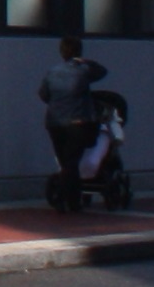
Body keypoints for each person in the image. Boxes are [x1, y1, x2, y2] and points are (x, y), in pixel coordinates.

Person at [39, 35, 111, 206]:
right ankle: (70, 199)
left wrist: (58, 103)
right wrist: (84, 61)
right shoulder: (83, 70)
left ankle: (67, 195)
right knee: (72, 160)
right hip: (78, 122)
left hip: (54, 122)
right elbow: (102, 71)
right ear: (79, 51)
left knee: (64, 160)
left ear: (61, 52)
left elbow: (43, 94)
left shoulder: (52, 71)